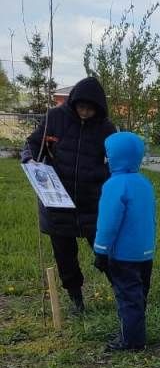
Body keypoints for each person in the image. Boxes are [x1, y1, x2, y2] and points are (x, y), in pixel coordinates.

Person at [21, 77, 115, 313]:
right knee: (65, 256)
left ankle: (123, 292)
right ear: (73, 103)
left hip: (91, 200)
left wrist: (101, 173)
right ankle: (76, 299)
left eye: (90, 108)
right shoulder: (54, 118)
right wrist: (30, 159)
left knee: (106, 250)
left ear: (99, 108)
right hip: (57, 201)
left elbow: (115, 161)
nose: (85, 112)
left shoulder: (106, 128)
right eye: (81, 106)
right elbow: (33, 143)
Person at [92, 132, 156, 352]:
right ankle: (132, 330)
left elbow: (108, 222)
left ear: (114, 157)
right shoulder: (144, 183)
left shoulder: (114, 185)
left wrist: (101, 250)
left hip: (122, 254)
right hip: (145, 253)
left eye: (108, 155)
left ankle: (132, 341)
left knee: (127, 298)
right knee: (139, 295)